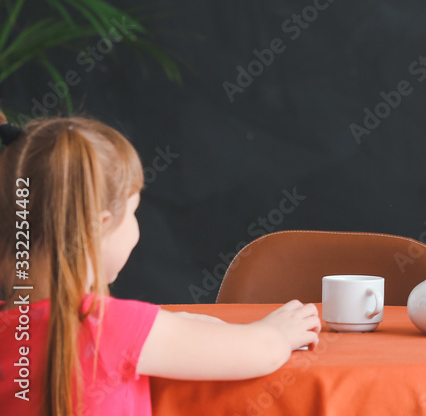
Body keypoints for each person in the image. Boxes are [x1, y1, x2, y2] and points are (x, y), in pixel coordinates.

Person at [0, 112, 320, 416]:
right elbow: (261, 351)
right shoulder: (109, 327)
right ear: (98, 226)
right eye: (133, 210)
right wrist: (280, 331)